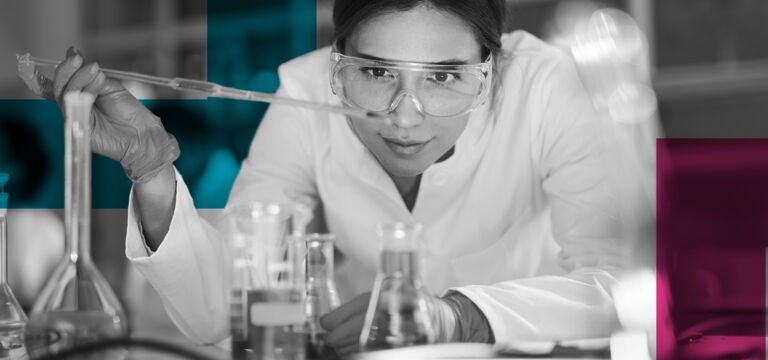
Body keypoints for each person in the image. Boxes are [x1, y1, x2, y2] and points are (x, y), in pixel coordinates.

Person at [19, 0, 641, 354]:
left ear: (493, 68)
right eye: (374, 73)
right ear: (337, 67)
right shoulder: (305, 90)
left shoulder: (546, 86)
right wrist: (152, 170)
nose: (404, 115)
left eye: (445, 77)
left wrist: (460, 316)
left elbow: (626, 285)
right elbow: (223, 307)